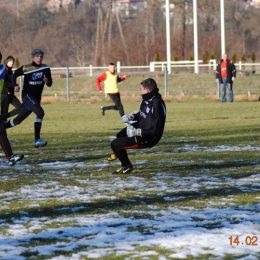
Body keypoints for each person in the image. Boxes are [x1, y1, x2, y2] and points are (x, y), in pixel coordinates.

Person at [108, 78, 166, 174]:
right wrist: (131, 117)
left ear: (147, 90)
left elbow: (156, 131)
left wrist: (137, 132)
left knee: (114, 144)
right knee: (119, 135)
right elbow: (142, 114)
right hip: (140, 129)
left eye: (141, 89)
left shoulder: (157, 104)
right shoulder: (145, 99)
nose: (140, 91)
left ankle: (127, 167)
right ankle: (121, 159)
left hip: (149, 137)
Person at [5, 48, 53, 148]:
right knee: (40, 113)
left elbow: (50, 84)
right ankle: (37, 140)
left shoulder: (46, 68)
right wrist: (15, 85)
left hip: (36, 98)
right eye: (37, 56)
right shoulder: (26, 68)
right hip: (27, 96)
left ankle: (1, 128)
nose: (39, 58)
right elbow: (14, 76)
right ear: (33, 57)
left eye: (41, 56)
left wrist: (47, 81)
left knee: (18, 120)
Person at [0, 52, 24, 166]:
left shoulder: (3, 70)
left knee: (1, 132)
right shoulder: (2, 71)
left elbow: (8, 79)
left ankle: (10, 157)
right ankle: (10, 157)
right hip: (4, 97)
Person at [1, 56, 21, 121]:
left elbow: (11, 83)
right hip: (5, 95)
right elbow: (4, 83)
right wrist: (13, 86)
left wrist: (16, 86)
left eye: (13, 61)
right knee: (3, 117)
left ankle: (5, 116)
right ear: (7, 62)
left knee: (21, 107)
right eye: (10, 61)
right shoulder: (4, 70)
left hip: (11, 95)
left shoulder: (11, 71)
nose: (12, 62)